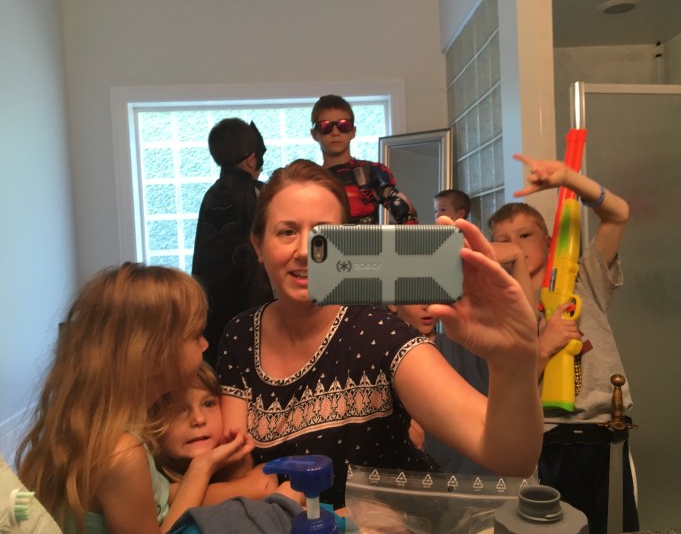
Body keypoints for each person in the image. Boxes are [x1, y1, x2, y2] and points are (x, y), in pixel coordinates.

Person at [216, 159, 543, 509]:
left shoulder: (379, 334)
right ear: (258, 245)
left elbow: (511, 457)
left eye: (322, 234)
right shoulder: (241, 336)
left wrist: (511, 360)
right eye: (287, 232)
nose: (304, 252)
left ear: (348, 243)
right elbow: (236, 473)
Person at [15, 263, 253, 534]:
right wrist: (202, 470)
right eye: (196, 335)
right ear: (156, 356)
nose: (205, 344)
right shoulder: (123, 452)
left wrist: (205, 469)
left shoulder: (92, 425)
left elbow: (156, 499)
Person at [488, 154, 637, 534]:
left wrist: (570, 179)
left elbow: (618, 215)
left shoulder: (585, 279)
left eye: (525, 235)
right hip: (542, 442)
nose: (515, 246)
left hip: (605, 434)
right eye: (503, 240)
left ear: (548, 240)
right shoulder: (497, 311)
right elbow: (504, 396)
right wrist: (543, 348)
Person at [153, 362, 303, 506]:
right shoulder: (154, 487)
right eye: (179, 410)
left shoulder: (224, 469)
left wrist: (236, 459)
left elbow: (264, 483)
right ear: (151, 422)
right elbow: (261, 488)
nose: (199, 419)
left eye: (208, 404)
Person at [192, 118, 274, 367]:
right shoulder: (260, 193)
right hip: (255, 313)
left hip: (213, 316)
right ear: (251, 159)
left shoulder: (211, 195)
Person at [387, 304, 490, 475]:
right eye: (413, 293)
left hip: (474, 481)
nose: (426, 305)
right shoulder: (377, 352)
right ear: (392, 303)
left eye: (431, 292)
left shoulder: (464, 346)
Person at [310, 94, 418, 224]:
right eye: (325, 126)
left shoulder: (371, 172)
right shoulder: (310, 179)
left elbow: (404, 213)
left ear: (353, 131)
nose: (335, 132)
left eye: (343, 125)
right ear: (314, 134)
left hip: (369, 237)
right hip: (324, 237)